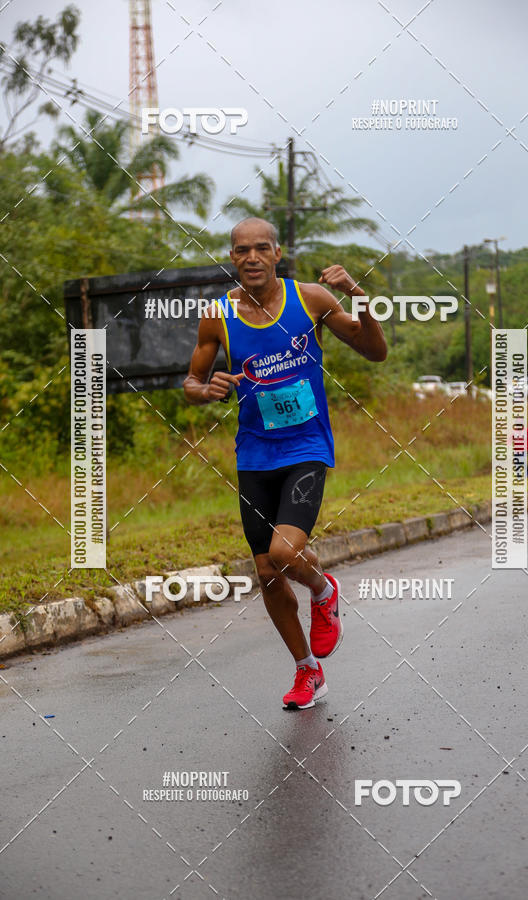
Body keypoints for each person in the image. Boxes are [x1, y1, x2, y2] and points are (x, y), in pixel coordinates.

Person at [183, 217, 387, 708]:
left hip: (306, 447)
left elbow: (374, 351)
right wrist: (204, 390)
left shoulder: (311, 299)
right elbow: (191, 383)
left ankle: (322, 589)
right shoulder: (217, 316)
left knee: (282, 553)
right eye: (241, 250)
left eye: (261, 248)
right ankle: (306, 671)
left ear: (277, 254)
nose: (251, 257)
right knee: (268, 572)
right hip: (254, 453)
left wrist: (357, 294)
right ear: (232, 258)